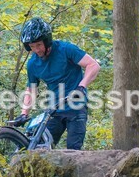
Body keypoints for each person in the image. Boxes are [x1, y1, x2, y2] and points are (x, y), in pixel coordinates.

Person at [12, 17, 100, 150]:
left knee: (73, 148)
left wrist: (82, 86)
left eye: (39, 45)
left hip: (76, 106)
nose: (36, 50)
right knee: (39, 145)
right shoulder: (33, 64)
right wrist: (24, 113)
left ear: (47, 41)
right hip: (54, 109)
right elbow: (31, 89)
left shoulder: (66, 49)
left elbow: (93, 65)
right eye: (32, 47)